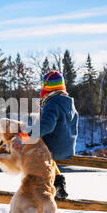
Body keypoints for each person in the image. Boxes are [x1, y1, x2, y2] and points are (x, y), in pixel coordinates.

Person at [28, 70, 79, 200]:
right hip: (68, 149)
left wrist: (30, 134)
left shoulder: (52, 103)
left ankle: (40, 188)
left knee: (30, 154)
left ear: (46, 88)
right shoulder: (69, 104)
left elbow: (47, 125)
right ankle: (59, 183)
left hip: (53, 148)